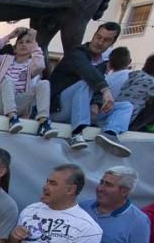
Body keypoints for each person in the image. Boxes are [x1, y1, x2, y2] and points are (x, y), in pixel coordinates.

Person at [49, 22, 134, 157]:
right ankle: (76, 133)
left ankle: (110, 134)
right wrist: (105, 91)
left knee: (125, 106)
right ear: (93, 36)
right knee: (85, 83)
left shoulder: (102, 62)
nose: (100, 43)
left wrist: (96, 102)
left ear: (112, 43)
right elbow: (87, 72)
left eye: (106, 40)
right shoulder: (77, 53)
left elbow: (96, 83)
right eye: (98, 37)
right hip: (58, 108)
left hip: (82, 110)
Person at [0, 27, 57, 138]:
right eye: (20, 42)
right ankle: (12, 118)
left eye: (28, 42)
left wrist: (34, 42)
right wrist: (10, 36)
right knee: (8, 81)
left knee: (44, 83)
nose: (23, 45)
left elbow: (41, 65)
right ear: (15, 49)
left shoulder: (31, 65)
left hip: (17, 104)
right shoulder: (5, 60)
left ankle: (44, 123)